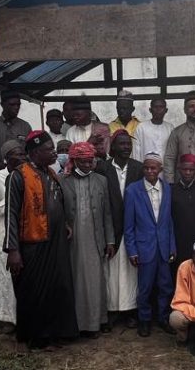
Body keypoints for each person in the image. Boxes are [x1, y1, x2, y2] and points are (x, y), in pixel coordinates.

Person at [4, 131, 78, 349]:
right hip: (33, 244)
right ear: (35, 153)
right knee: (36, 291)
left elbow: (57, 202)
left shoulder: (51, 173)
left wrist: (64, 224)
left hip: (55, 241)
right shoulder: (18, 176)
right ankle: (39, 338)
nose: (54, 153)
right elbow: (10, 214)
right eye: (49, 149)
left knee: (58, 287)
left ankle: (57, 332)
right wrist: (13, 250)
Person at [62, 141, 115, 337]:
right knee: (75, 280)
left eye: (90, 161)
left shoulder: (101, 180)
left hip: (95, 238)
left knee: (95, 281)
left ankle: (95, 323)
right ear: (74, 161)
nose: (87, 165)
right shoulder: (62, 180)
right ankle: (76, 324)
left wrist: (110, 241)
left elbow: (107, 213)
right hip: (72, 240)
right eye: (83, 162)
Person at [124, 153, 177, 337]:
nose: (149, 171)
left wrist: (172, 246)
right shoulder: (133, 190)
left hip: (164, 247)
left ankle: (163, 318)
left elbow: (169, 221)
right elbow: (129, 225)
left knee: (165, 285)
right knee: (145, 287)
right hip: (144, 247)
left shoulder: (167, 188)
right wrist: (132, 250)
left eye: (153, 168)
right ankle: (144, 320)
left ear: (160, 169)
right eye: (146, 168)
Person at [96, 129, 143, 326]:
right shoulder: (103, 167)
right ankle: (111, 311)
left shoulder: (139, 168)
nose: (126, 147)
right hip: (111, 227)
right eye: (122, 144)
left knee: (131, 273)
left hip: (133, 228)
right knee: (111, 271)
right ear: (113, 147)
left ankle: (129, 311)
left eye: (128, 144)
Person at [0, 140, 26, 327]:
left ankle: (25, 317)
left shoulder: (28, 174)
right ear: (6, 158)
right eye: (17, 154)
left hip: (24, 231)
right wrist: (10, 200)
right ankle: (8, 319)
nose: (21, 157)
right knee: (5, 277)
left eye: (23, 153)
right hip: (3, 232)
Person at [0, 90, 32, 180]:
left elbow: (31, 153)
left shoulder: (25, 126)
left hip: (21, 176)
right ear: (2, 104)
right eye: (12, 105)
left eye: (18, 105)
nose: (16, 107)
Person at [171, 154, 195, 271]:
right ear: (179, 169)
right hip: (177, 241)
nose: (188, 172)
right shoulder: (171, 190)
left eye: (191, 170)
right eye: (185, 169)